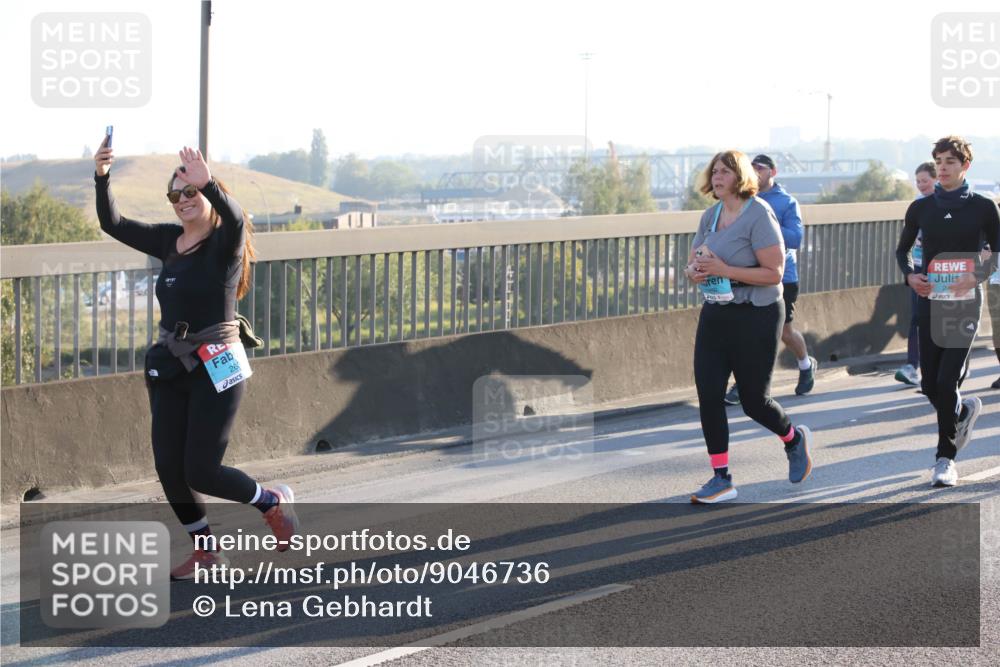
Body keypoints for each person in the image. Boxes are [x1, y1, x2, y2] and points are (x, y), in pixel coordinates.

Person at [94, 137, 300, 578]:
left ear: (206, 193)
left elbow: (238, 218)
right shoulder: (170, 241)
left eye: (191, 192)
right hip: (171, 362)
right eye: (176, 194)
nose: (183, 200)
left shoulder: (223, 243)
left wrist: (210, 185)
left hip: (219, 360)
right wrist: (102, 176)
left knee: (202, 469)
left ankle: (271, 502)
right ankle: (207, 550)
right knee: (169, 465)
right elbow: (113, 223)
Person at [685, 150, 813, 503]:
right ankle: (721, 477)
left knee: (754, 401)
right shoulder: (710, 216)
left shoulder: (759, 214)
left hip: (758, 312)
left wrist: (725, 270)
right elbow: (693, 261)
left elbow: (774, 273)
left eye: (725, 171)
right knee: (709, 395)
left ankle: (793, 439)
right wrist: (694, 272)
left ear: (740, 176)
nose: (717, 177)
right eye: (714, 172)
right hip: (717, 311)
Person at [895, 135, 1000, 487]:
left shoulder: (984, 207)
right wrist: (911, 276)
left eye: (950, 162)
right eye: (938, 161)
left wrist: (977, 275)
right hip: (930, 302)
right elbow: (903, 252)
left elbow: (997, 253)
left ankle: (945, 459)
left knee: (946, 380)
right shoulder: (921, 208)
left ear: (964, 165)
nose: (942, 167)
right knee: (929, 385)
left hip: (965, 304)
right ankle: (962, 412)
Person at [724, 154, 816, 404]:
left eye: (760, 169)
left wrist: (762, 228)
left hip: (781, 275)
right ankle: (742, 385)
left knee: (784, 331)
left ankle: (806, 364)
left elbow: (795, 238)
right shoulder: (742, 198)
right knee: (746, 331)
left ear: (772, 172)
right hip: (747, 273)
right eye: (751, 168)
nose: (755, 172)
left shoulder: (786, 202)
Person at [894, 162, 937, 386]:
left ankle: (955, 366)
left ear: (937, 179)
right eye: (918, 182)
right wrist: (910, 272)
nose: (921, 186)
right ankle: (912, 367)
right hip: (921, 267)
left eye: (925, 181)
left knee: (947, 320)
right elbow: (904, 246)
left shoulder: (952, 204)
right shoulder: (917, 206)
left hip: (946, 269)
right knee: (917, 318)